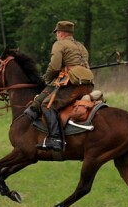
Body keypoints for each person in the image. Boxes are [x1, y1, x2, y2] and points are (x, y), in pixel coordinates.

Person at [34, 20, 94, 152]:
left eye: (57, 33)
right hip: (88, 85)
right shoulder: (81, 46)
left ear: (60, 33)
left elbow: (54, 66)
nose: (56, 35)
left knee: (46, 105)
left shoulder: (59, 44)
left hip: (72, 85)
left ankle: (56, 139)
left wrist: (46, 79)